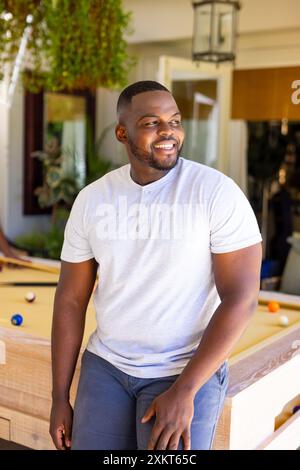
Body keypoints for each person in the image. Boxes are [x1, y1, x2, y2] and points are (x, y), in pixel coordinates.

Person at [50, 81, 262, 451]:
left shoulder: (215, 192)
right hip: (107, 368)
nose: (169, 132)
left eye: (175, 121)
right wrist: (58, 396)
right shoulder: (93, 200)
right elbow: (70, 299)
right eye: (151, 122)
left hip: (183, 368)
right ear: (123, 132)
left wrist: (186, 389)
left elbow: (241, 297)